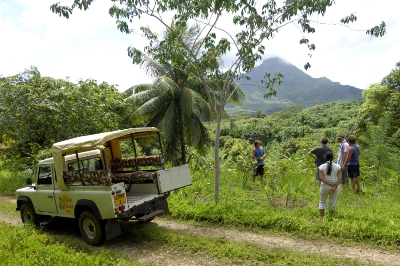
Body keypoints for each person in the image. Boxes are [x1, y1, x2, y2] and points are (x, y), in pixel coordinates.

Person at [318, 151, 342, 218]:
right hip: (335, 186)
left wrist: (330, 184)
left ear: (325, 158)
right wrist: (334, 186)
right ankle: (331, 217)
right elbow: (340, 178)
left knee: (322, 201)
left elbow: (321, 178)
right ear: (333, 158)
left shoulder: (321, 167)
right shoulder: (337, 166)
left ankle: (321, 217)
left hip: (324, 186)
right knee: (332, 202)